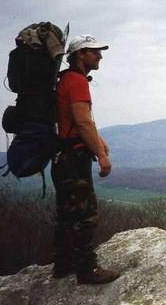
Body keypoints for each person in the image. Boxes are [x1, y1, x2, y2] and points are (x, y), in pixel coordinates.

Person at [51, 34, 119, 284]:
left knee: (67, 213)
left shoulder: (65, 79)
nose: (99, 55)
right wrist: (101, 156)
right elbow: (81, 121)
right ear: (80, 54)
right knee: (84, 214)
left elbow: (78, 121)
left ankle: (62, 264)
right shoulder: (77, 81)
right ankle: (86, 270)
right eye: (94, 51)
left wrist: (98, 139)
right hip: (74, 157)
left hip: (62, 156)